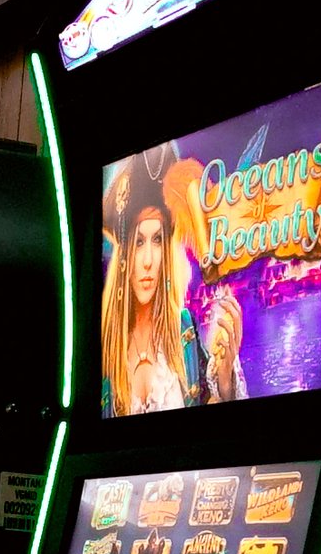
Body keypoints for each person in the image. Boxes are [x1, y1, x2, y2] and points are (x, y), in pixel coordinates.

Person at [101, 151, 246, 415]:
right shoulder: (103, 345)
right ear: (123, 258)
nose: (147, 261)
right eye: (138, 242)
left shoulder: (185, 331)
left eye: (157, 240)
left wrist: (226, 385)